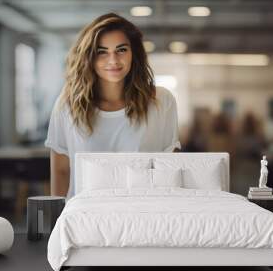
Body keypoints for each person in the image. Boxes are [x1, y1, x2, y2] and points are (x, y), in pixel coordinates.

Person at [44, 13, 181, 198]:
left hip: (144, 216)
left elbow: (169, 172)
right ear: (89, 57)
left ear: (134, 53)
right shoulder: (68, 104)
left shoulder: (161, 101)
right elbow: (61, 172)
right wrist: (57, 223)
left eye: (121, 50)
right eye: (102, 52)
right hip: (85, 219)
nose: (113, 60)